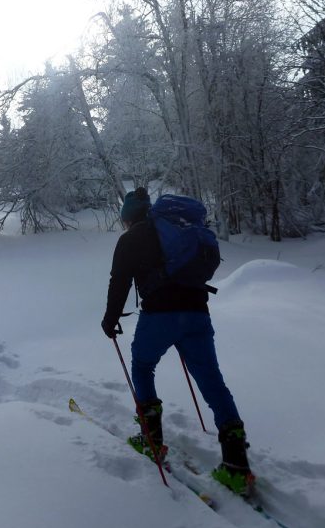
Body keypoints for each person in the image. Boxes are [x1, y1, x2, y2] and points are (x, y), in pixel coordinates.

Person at [101, 187, 255, 495]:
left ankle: (151, 441)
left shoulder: (131, 239)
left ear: (128, 217)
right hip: (197, 312)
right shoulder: (178, 232)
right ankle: (237, 467)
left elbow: (119, 281)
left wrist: (110, 319)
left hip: (160, 315)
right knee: (212, 381)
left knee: (143, 365)